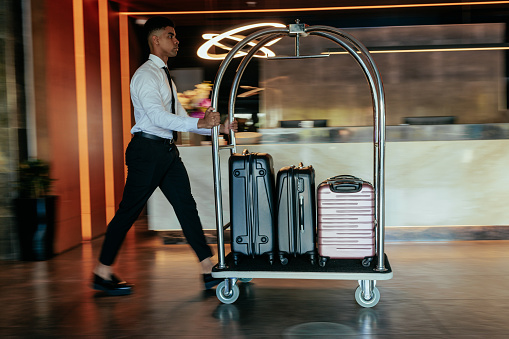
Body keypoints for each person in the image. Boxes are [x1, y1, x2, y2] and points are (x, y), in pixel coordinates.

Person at [92, 16, 236, 296]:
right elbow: (158, 117)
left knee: (186, 206)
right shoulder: (146, 74)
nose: (176, 40)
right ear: (155, 40)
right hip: (147, 151)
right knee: (128, 213)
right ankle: (102, 271)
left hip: (166, 151)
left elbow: (178, 117)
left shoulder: (164, 76)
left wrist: (219, 128)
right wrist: (200, 124)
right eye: (171, 35)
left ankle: (208, 269)